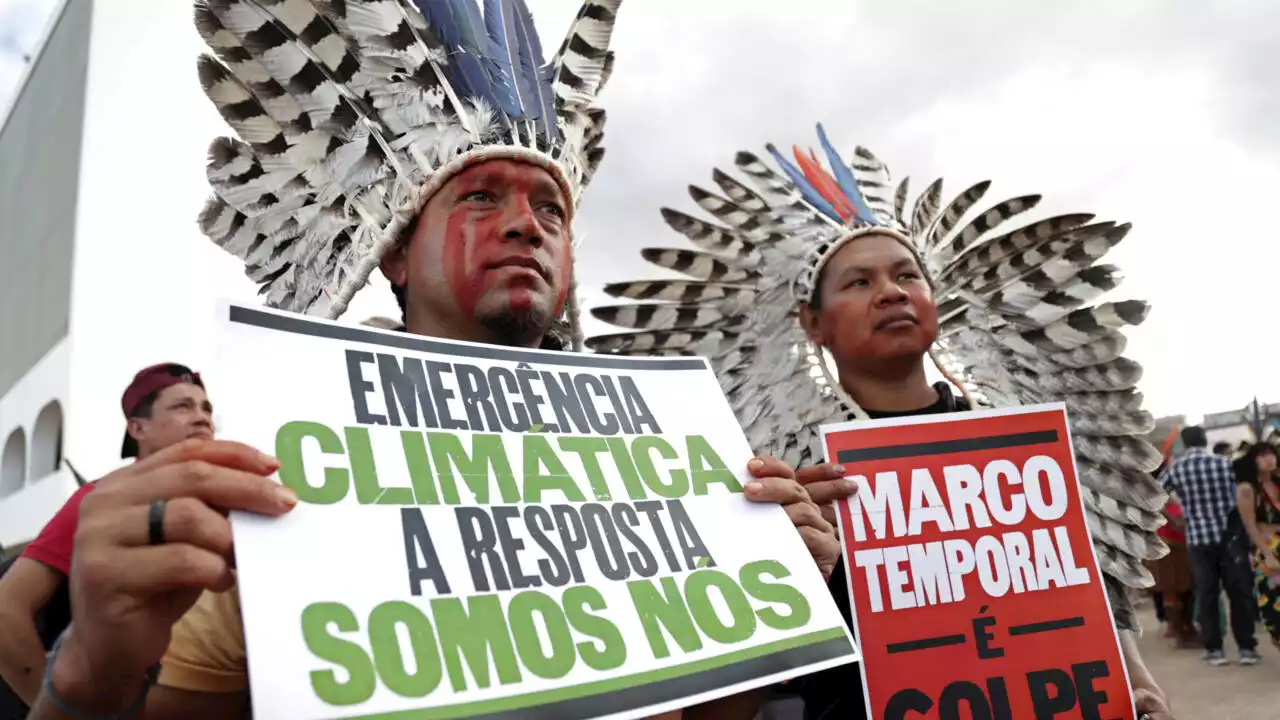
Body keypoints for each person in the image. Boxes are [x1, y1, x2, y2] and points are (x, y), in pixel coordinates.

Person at [27, 4, 849, 720]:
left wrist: (778, 590)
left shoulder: (667, 467)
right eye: (482, 197)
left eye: (551, 209)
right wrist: (93, 676)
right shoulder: (282, 468)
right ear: (393, 253)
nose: (528, 225)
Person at [592, 125, 1177, 719]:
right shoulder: (783, 473)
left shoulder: (1013, 435)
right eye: (859, 282)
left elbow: (1084, 587)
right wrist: (790, 568)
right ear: (811, 324)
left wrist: (1136, 680)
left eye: (906, 276)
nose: (891, 292)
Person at [0, 363, 211, 712]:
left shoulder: (210, 506)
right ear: (137, 427)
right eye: (182, 406)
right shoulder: (100, 502)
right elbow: (6, 609)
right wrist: (60, 710)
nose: (202, 417)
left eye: (206, 408)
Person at [1160, 425, 1259, 665]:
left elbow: (1155, 496)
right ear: (1205, 440)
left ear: (1184, 443)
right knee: (1238, 593)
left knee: (1207, 594)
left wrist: (1177, 519)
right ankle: (1246, 648)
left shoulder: (1178, 468)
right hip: (1229, 538)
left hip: (1197, 538)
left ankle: (1215, 650)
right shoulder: (1225, 464)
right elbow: (1244, 493)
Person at [1234, 442, 1280, 650]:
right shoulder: (1247, 488)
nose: (1269, 458)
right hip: (1266, 546)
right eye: (1262, 455)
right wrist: (1267, 553)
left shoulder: (1277, 482)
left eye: (1271, 454)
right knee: (1275, 606)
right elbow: (1250, 525)